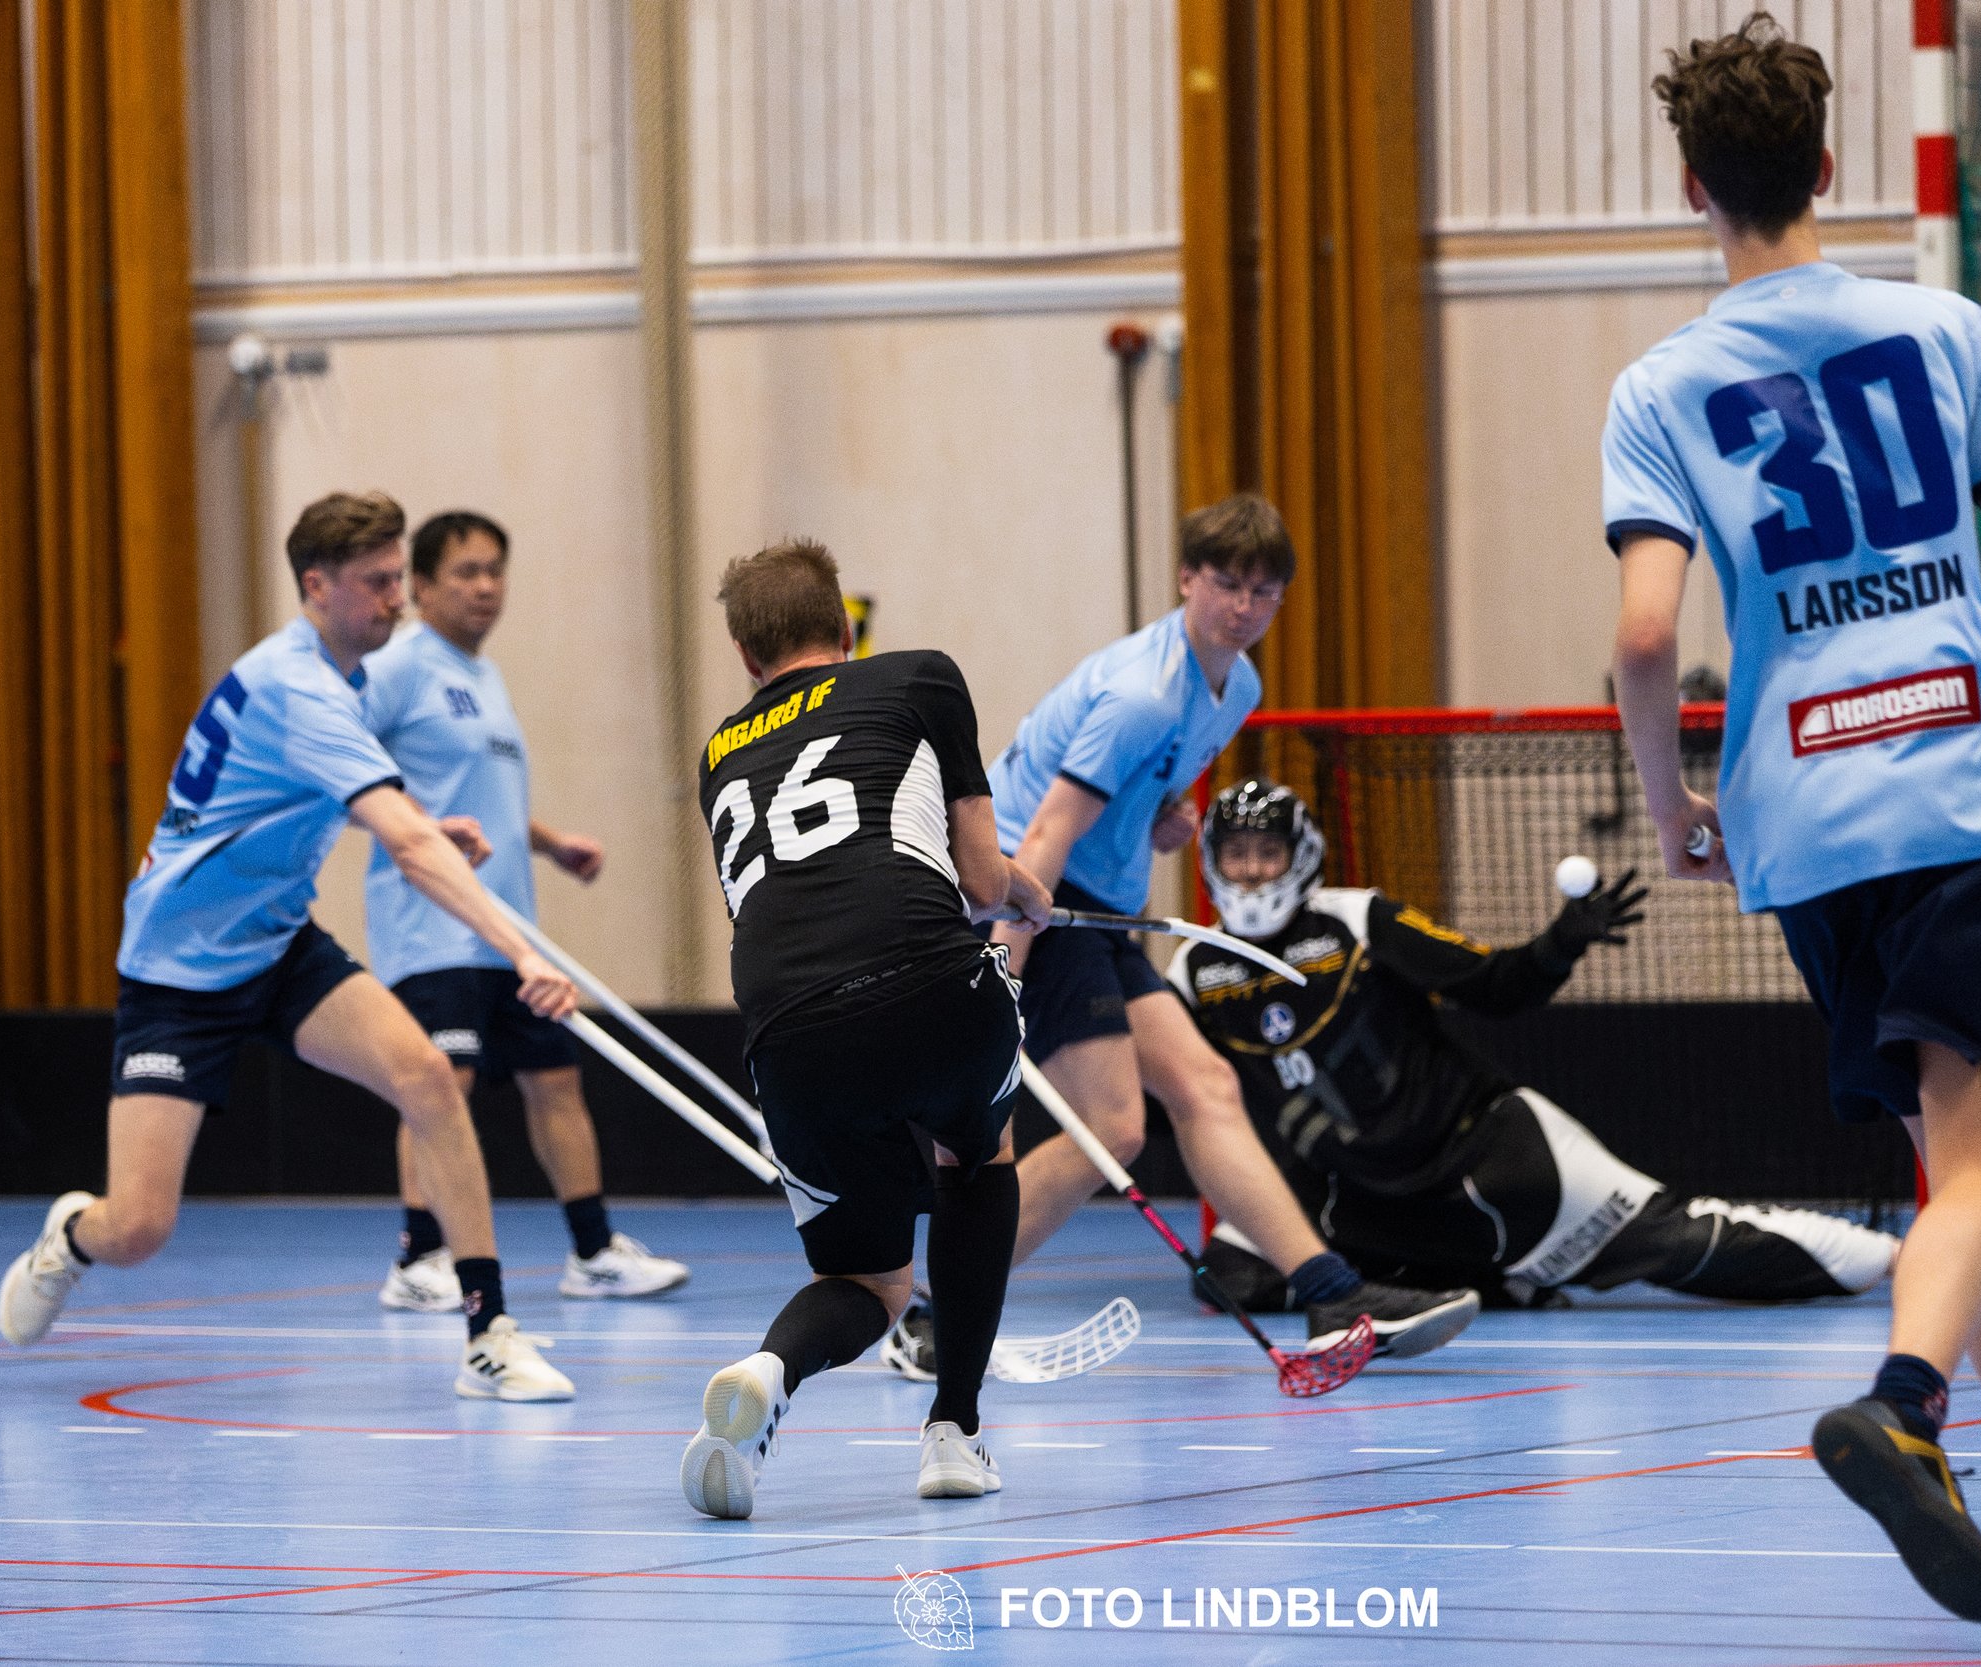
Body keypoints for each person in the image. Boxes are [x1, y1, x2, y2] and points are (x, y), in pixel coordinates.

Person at [1604, 17, 1981, 1649]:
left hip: (1799, 809)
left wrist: (1676, 807)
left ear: (1695, 186)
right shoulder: (1947, 327)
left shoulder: (1658, 387)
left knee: (1961, 1186)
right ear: (1832, 170)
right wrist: (1963, 639)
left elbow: (1645, 640)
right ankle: (1904, 1407)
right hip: (1953, 788)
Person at [881, 495, 1479, 1382]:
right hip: (1037, 889)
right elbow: (1046, 827)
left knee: (1205, 1086)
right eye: (1227, 585)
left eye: (1264, 592)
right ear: (1188, 581)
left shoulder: (1238, 687)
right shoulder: (1141, 693)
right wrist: (1001, 962)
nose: (1244, 607)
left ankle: (1331, 1292)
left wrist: (1166, 821)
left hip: (1105, 898)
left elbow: (1144, 791)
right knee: (1112, 1125)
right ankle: (935, 1313)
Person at [0, 491, 576, 1402]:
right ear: (318, 585)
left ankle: (488, 1331)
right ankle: (73, 1236)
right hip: (178, 971)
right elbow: (405, 846)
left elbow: (290, 806)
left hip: (278, 943)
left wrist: (427, 819)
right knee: (139, 1228)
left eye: (397, 579)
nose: (397, 599)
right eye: (379, 583)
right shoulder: (297, 687)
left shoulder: (340, 678)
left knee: (427, 1077)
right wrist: (527, 952)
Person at [1171, 781, 1903, 1310]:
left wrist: (1558, 945)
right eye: (1237, 853)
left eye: (1268, 851)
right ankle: (1487, 1282)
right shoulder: (1191, 970)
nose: (1253, 869)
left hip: (1494, 1158)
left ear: (1301, 855)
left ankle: (1909, 1256)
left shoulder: (1358, 920)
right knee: (1232, 1272)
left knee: (1684, 1248)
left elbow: (1494, 985)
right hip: (1362, 1193)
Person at [678, 538, 1053, 1518]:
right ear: (844, 628)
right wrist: (1026, 890)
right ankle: (955, 1429)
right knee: (979, 1152)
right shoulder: (921, 677)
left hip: (784, 1023)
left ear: (742, 651)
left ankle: (768, 1370)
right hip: (928, 981)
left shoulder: (719, 751)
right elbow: (978, 880)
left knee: (865, 1275)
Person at [362, 510, 688, 1310]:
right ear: (423, 586)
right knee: (441, 1080)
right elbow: (344, 778)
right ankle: (419, 1257)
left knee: (556, 1081)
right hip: (430, 923)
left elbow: (486, 801)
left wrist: (550, 843)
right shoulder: (399, 668)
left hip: (509, 931)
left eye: (495, 570)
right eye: (465, 572)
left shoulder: (486, 676)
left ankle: (592, 1249)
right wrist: (421, 829)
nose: (484, 587)